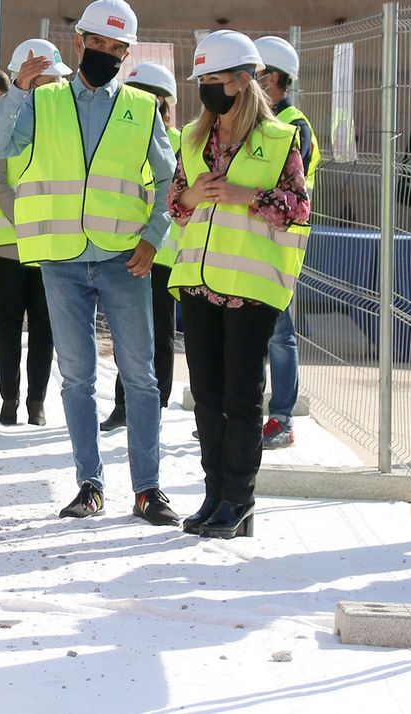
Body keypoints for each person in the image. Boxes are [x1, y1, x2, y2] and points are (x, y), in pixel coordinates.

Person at [0, 0, 181, 526]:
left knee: (140, 377)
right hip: (61, 260)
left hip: (124, 259)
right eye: (100, 46)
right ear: (80, 44)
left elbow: (169, 180)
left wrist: (153, 237)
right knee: (76, 379)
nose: (109, 56)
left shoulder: (141, 109)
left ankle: (148, 490)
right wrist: (18, 90)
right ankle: (89, 486)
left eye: (119, 49)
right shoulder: (42, 102)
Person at [169, 31, 311, 539]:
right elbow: (175, 205)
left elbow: (298, 208)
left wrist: (241, 194)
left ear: (244, 81)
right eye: (202, 80)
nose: (208, 89)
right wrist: (190, 199)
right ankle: (213, 496)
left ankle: (239, 500)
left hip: (251, 289)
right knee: (206, 396)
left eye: (216, 80)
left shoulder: (278, 140)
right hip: (199, 283)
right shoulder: (190, 138)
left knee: (242, 399)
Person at [0, 38, 69, 425]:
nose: (50, 88)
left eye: (53, 81)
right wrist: (29, 221)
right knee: (11, 322)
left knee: (44, 324)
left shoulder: (65, 121)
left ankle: (37, 402)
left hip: (51, 242)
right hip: (10, 242)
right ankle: (10, 399)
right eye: (42, 81)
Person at [101, 60, 180, 432]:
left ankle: (155, 406)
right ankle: (123, 405)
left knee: (159, 337)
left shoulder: (181, 145)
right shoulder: (120, 140)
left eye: (158, 103)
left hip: (163, 254)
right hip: (123, 249)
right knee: (125, 335)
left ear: (168, 106)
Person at [252, 35, 318, 450]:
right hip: (250, 243)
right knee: (253, 331)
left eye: (254, 73)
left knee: (278, 332)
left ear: (272, 78)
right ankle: (245, 414)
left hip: (280, 244)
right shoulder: (260, 119)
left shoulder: (293, 125)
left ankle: (281, 420)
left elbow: (280, 184)